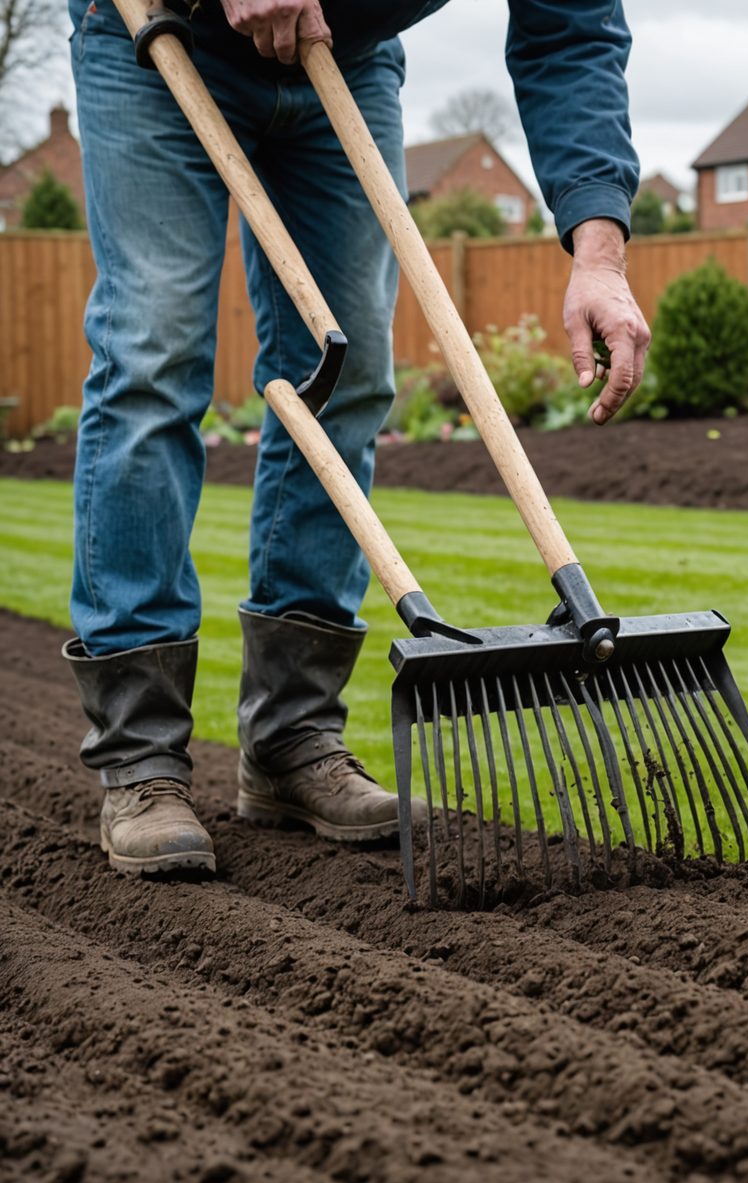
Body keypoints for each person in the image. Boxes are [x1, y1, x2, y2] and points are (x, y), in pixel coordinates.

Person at [64, 0, 650, 876]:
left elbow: (573, 29)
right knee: (154, 353)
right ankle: (140, 756)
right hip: (157, 25)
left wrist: (599, 251)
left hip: (346, 49)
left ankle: (292, 736)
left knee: (351, 372)